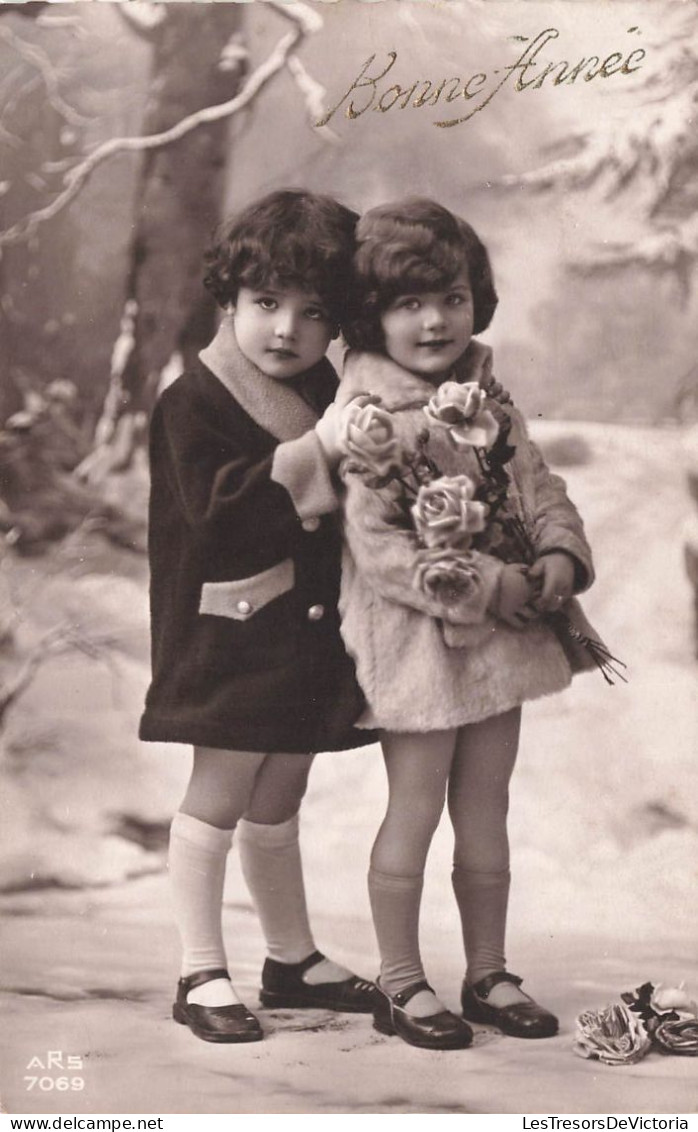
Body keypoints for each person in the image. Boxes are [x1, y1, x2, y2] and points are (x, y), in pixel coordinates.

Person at [335, 198, 600, 1051]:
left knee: (486, 805)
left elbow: (537, 482)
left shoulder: (484, 395)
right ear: (372, 315)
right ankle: (401, 980)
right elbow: (378, 547)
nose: (434, 319)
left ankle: (488, 970)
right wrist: (487, 583)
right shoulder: (366, 415)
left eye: (449, 296)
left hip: (504, 641)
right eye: (407, 303)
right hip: (416, 641)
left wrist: (558, 551)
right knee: (416, 805)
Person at [139, 190, 380, 1044]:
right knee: (219, 795)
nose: (286, 330)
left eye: (314, 313)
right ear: (230, 301)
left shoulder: (328, 387)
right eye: (266, 304)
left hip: (304, 635)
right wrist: (324, 448)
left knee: (282, 793)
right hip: (231, 629)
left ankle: (290, 957)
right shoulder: (192, 403)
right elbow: (219, 513)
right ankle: (200, 968)